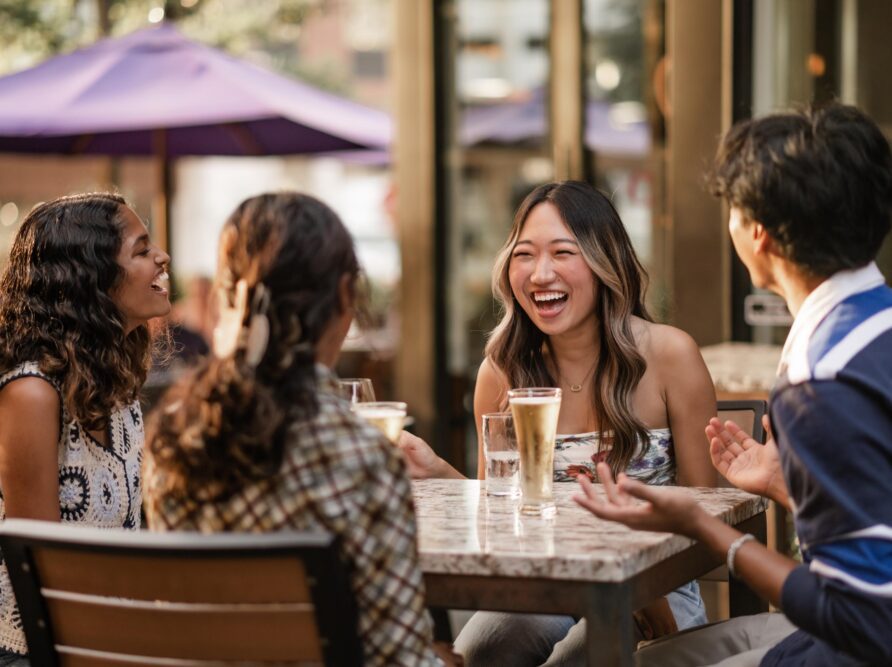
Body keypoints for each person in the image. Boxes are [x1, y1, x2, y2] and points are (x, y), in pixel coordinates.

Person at [574, 102, 892, 666]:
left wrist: (705, 526)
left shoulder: (822, 380)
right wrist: (789, 485)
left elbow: (865, 619)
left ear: (759, 233)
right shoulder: (875, 326)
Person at [400, 181, 717, 666]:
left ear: (604, 261)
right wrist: (441, 472)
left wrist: (641, 584)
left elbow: (704, 519)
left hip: (657, 585)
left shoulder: (670, 355)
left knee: (578, 658)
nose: (540, 273)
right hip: (546, 588)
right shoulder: (502, 371)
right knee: (480, 651)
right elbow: (502, 524)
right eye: (524, 254)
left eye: (562, 253)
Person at [142, 192, 460, 667]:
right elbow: (400, 659)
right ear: (344, 300)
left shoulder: (172, 434)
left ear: (230, 300)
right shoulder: (362, 456)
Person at [0, 193, 171, 664]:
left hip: (111, 637)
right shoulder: (32, 393)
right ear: (93, 280)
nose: (162, 257)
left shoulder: (112, 380)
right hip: (37, 651)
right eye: (141, 250)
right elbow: (39, 567)